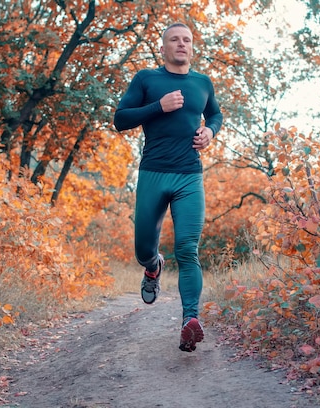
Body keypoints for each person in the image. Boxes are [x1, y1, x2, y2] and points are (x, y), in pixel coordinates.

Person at [113, 22, 223, 352]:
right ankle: (153, 266)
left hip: (190, 175)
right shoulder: (147, 79)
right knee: (143, 249)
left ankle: (191, 320)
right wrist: (157, 107)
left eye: (187, 40)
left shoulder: (202, 83)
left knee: (188, 249)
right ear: (163, 48)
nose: (181, 44)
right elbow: (120, 119)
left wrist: (211, 132)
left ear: (192, 47)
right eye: (174, 40)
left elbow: (215, 115)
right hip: (153, 173)